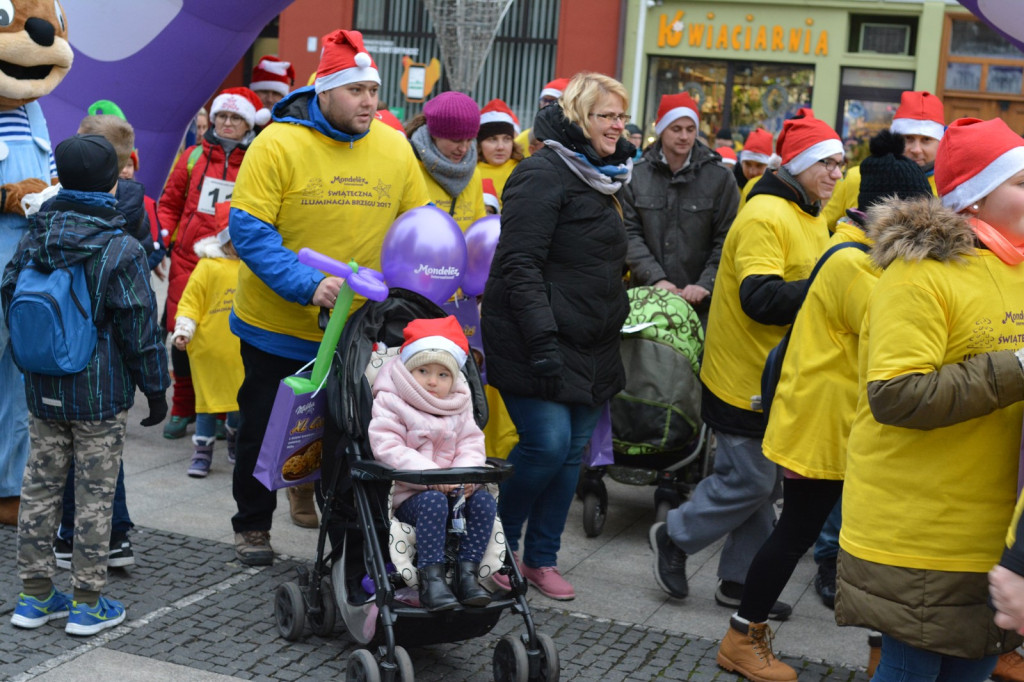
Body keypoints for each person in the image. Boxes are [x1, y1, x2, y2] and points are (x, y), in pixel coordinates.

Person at [713, 130, 933, 682]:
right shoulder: (852, 263)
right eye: (915, 209)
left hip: (849, 423)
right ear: (889, 210)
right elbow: (900, 330)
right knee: (797, 532)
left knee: (868, 539)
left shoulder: (869, 259)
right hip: (823, 424)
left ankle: (883, 649)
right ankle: (742, 636)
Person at [227, 29, 430, 565]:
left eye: (373, 90)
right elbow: (249, 231)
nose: (369, 101)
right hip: (278, 324)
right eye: (356, 90)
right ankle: (252, 524)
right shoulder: (277, 142)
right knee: (264, 428)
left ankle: (344, 540)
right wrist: (307, 285)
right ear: (324, 91)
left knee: (349, 436)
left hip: (359, 330)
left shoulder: (393, 145)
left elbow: (415, 226)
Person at [835, 116, 1024, 682]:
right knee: (913, 669)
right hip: (921, 533)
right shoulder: (920, 274)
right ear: (975, 199)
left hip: (995, 533)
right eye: (1021, 182)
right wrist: (1017, 367)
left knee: (975, 667)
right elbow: (894, 395)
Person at [650, 114, 844, 619]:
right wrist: (826, 292)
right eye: (826, 162)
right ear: (799, 164)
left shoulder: (808, 211)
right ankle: (674, 536)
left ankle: (738, 580)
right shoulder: (766, 215)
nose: (836, 174)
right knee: (753, 481)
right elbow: (759, 298)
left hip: (775, 375)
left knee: (762, 483)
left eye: (840, 163)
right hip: (743, 377)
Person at [2, 134, 169, 636]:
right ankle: (87, 602)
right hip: (98, 391)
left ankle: (33, 598)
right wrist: (156, 389)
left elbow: (9, 290)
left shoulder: (36, 234)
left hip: (42, 383)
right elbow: (141, 326)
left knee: (39, 487)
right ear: (112, 181)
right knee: (94, 495)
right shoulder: (119, 246)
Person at [481, 71, 634, 601]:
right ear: (578, 118)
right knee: (544, 447)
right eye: (606, 115)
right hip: (533, 337)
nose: (617, 125)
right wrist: (543, 339)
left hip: (590, 342)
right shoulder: (542, 174)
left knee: (571, 454)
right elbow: (519, 264)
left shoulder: (610, 174)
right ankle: (494, 549)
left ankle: (540, 560)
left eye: (621, 115)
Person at [51, 112, 159, 571]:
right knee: (102, 451)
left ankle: (72, 537)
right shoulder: (133, 211)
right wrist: (154, 385)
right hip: (110, 358)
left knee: (71, 456)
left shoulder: (53, 213)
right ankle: (111, 538)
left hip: (61, 351)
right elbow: (140, 313)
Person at [158, 87, 268, 442]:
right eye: (222, 116)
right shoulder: (192, 157)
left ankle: (220, 410)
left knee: (224, 339)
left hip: (233, 264)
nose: (227, 122)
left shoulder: (258, 160)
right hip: (188, 260)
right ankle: (183, 407)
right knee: (183, 331)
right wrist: (164, 241)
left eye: (236, 117)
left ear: (247, 123)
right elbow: (170, 202)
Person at [368, 316, 495, 611]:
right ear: (408, 370)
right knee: (434, 500)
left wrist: (466, 479)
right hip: (409, 496)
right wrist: (431, 476)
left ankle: (467, 575)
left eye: (442, 375)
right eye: (423, 370)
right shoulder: (391, 401)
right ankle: (431, 579)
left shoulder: (459, 405)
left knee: (485, 502)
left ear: (454, 379)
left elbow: (471, 444)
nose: (432, 381)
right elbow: (387, 447)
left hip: (455, 492)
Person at [620, 91, 739, 323]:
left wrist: (706, 283)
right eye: (676, 129)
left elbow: (727, 239)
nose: (684, 136)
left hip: (704, 306)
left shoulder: (720, 178)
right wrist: (655, 279)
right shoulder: (637, 176)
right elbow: (628, 234)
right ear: (661, 130)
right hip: (648, 301)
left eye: (690, 129)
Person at [171, 219, 243, 478]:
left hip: (240, 350)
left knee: (237, 400)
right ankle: (202, 452)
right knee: (206, 403)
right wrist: (184, 330)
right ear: (225, 242)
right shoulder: (207, 267)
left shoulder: (251, 269)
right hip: (209, 349)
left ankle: (235, 440)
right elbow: (191, 302)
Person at [822, 90, 944, 229]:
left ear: (940, 143)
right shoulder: (857, 177)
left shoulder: (946, 188)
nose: (916, 149)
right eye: (908, 138)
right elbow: (825, 228)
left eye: (926, 140)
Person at [406, 91, 486, 231]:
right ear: (435, 135)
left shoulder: (473, 172)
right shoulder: (410, 165)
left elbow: (479, 228)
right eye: (456, 140)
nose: (464, 149)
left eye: (469, 140)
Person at [476, 98, 522, 209]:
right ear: (479, 144)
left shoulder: (523, 171)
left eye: (506, 139)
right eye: (492, 139)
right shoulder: (469, 172)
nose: (500, 147)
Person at [514, 77, 569, 160]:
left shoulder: (572, 138)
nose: (546, 105)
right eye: (544, 100)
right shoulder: (523, 138)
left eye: (553, 101)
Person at [736, 128, 773, 208]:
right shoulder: (732, 184)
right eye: (748, 164)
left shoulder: (774, 191)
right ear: (742, 162)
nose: (752, 172)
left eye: (759, 165)